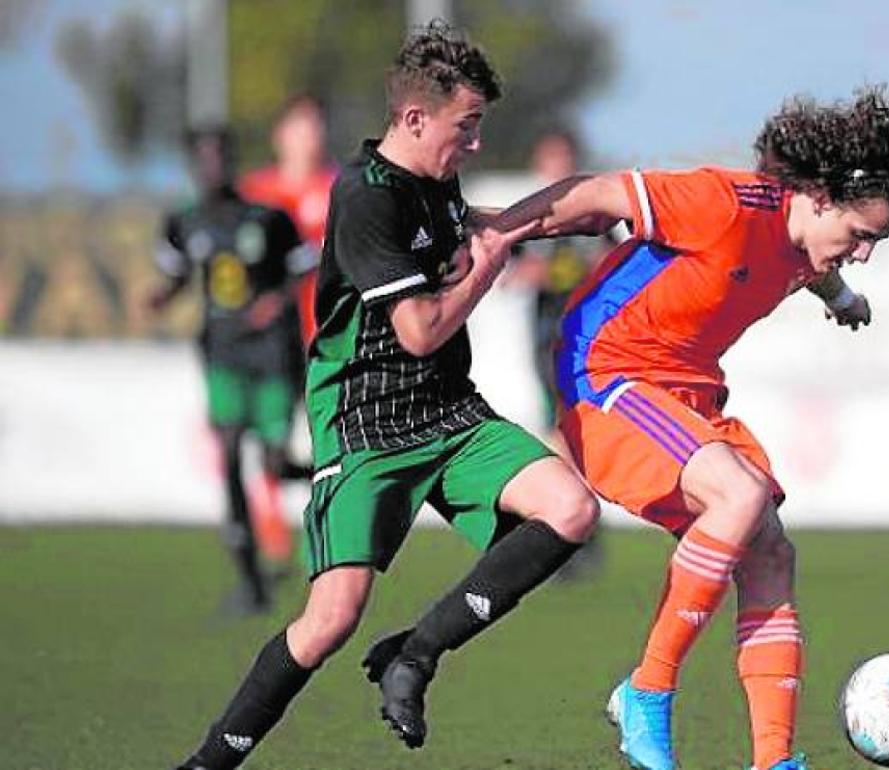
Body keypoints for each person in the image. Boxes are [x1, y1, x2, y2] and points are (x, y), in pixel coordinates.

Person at [173, 22, 598, 769]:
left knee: (572, 508)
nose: (473, 146)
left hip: (447, 409)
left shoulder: (436, 180)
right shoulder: (365, 199)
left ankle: (417, 654)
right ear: (413, 119)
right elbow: (421, 329)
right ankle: (206, 763)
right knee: (330, 619)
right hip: (365, 421)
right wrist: (493, 262)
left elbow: (495, 225)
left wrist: (602, 209)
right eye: (465, 129)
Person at [490, 87, 889, 770]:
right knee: (740, 498)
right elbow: (599, 194)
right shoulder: (726, 204)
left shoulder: (808, 246)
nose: (864, 252)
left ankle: (774, 761)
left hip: (686, 390)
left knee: (771, 552)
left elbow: (802, 263)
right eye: (862, 236)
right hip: (605, 370)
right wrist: (498, 229)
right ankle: (648, 691)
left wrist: (840, 295)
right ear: (818, 195)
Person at [151, 126, 312, 615]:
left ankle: (324, 479)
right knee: (227, 452)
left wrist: (273, 301)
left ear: (232, 160)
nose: (211, 167)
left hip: (271, 354)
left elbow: (304, 267)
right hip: (222, 354)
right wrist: (162, 296)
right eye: (202, 159)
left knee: (273, 462)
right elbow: (179, 273)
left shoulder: (266, 218)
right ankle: (249, 576)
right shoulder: (184, 222)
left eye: (219, 156)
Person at [508, 127, 615, 580]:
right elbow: (512, 269)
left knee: (574, 436)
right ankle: (569, 529)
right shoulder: (529, 219)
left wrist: (572, 271)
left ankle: (573, 529)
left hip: (585, 340)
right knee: (560, 433)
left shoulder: (593, 215)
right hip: (545, 336)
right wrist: (543, 272)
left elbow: (612, 265)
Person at [238, 94, 337, 565]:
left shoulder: (340, 186)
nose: (310, 136)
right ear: (280, 135)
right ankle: (268, 526)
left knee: (331, 440)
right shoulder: (255, 193)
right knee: (269, 441)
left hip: (329, 336)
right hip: (270, 340)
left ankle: (323, 534)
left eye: (315, 126)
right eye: (300, 126)